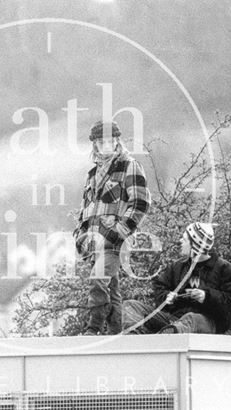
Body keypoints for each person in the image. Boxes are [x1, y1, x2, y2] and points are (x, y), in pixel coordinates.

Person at [74, 120, 151, 335]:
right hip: (93, 241)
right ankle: (117, 334)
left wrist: (120, 231)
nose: (105, 145)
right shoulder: (92, 174)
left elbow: (141, 203)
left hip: (116, 241)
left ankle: (94, 327)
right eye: (100, 141)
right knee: (112, 290)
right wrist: (80, 235)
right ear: (95, 145)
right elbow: (85, 209)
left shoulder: (129, 166)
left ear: (117, 142)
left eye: (109, 140)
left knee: (98, 280)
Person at [123, 222, 231, 334]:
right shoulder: (176, 267)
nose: (180, 241)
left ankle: (169, 337)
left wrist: (207, 297)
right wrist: (167, 297)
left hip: (207, 323)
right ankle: (135, 340)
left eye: (185, 239)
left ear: (195, 244)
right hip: (174, 321)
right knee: (130, 306)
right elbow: (159, 288)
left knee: (192, 318)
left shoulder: (226, 270)